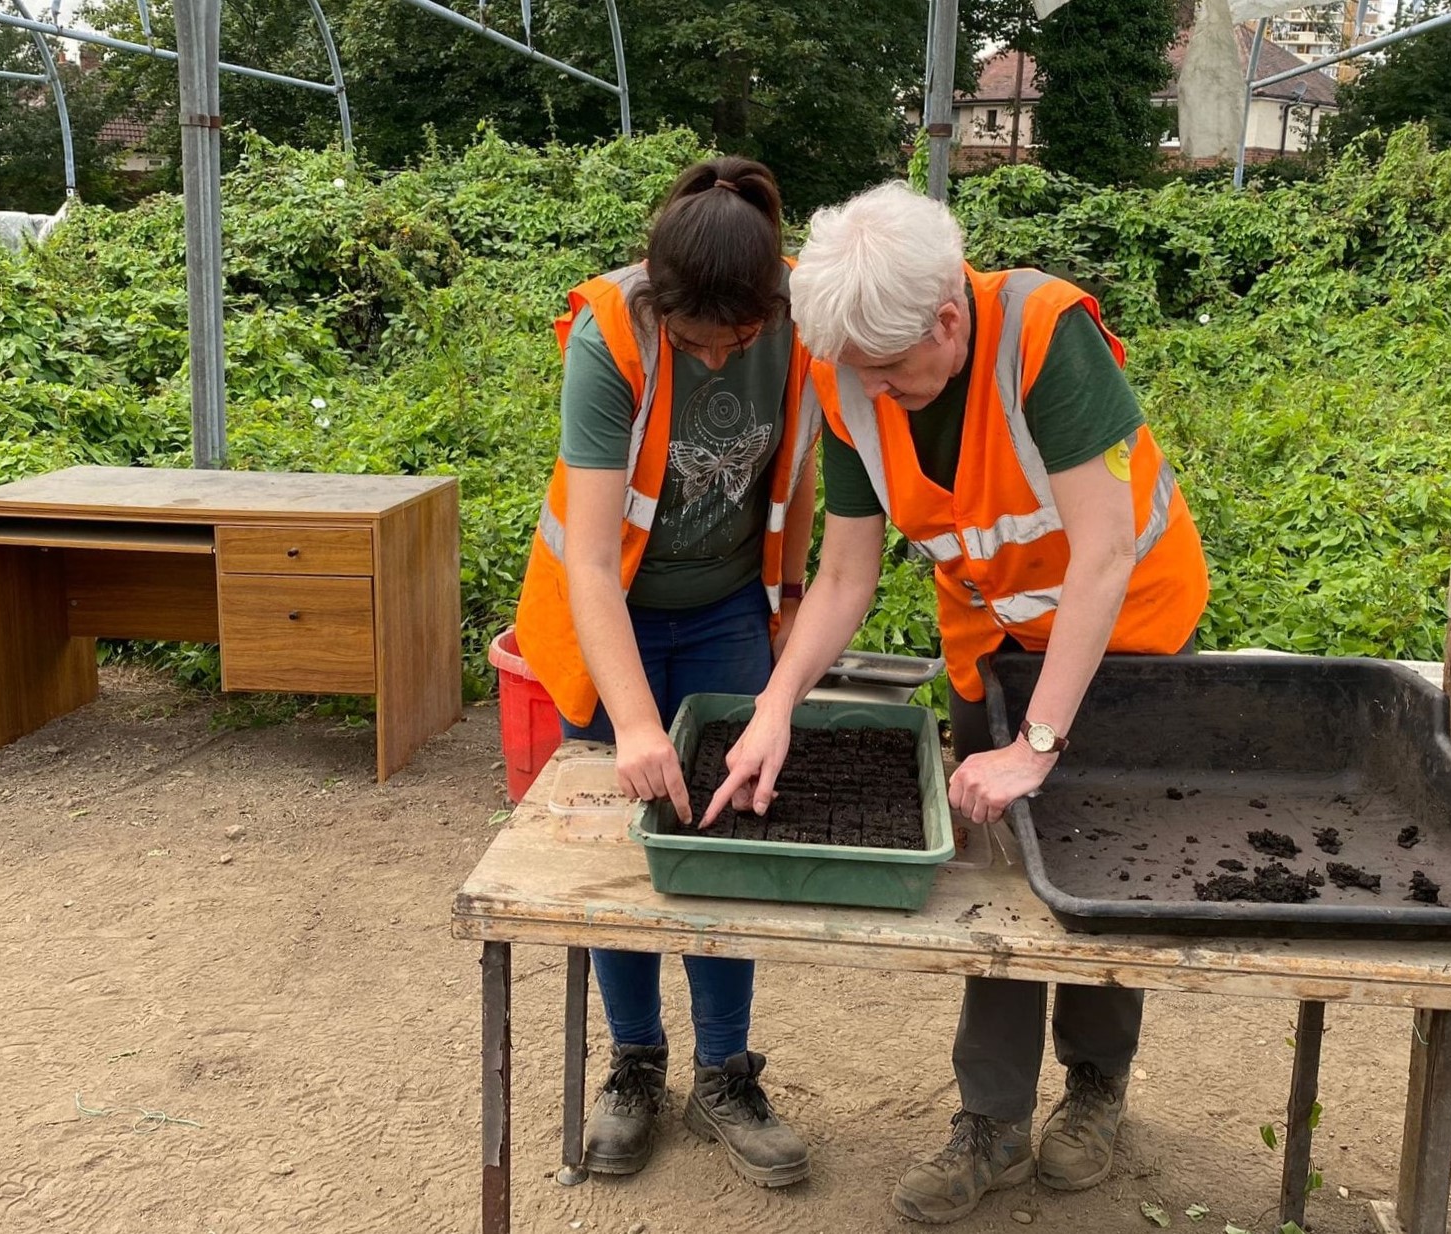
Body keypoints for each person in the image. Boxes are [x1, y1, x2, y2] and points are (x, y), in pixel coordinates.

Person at [702, 181, 1209, 1222]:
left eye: (895, 372)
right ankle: (990, 1118)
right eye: (862, 376)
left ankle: (1097, 1086)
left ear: (947, 316)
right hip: (991, 642)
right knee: (991, 878)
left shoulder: (1043, 337)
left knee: (1102, 869)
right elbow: (844, 578)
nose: (878, 393)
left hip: (1126, 639)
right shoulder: (850, 376)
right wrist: (774, 705)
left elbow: (1104, 556)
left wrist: (1039, 742)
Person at [512, 156, 818, 1187]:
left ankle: (725, 1068)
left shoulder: (800, 325)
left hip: (728, 609)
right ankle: (634, 1060)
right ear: (660, 293)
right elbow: (592, 562)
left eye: (740, 337)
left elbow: (804, 476)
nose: (724, 354)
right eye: (702, 341)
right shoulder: (613, 334)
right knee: (622, 845)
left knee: (723, 836)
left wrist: (783, 608)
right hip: (617, 617)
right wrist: (636, 727)